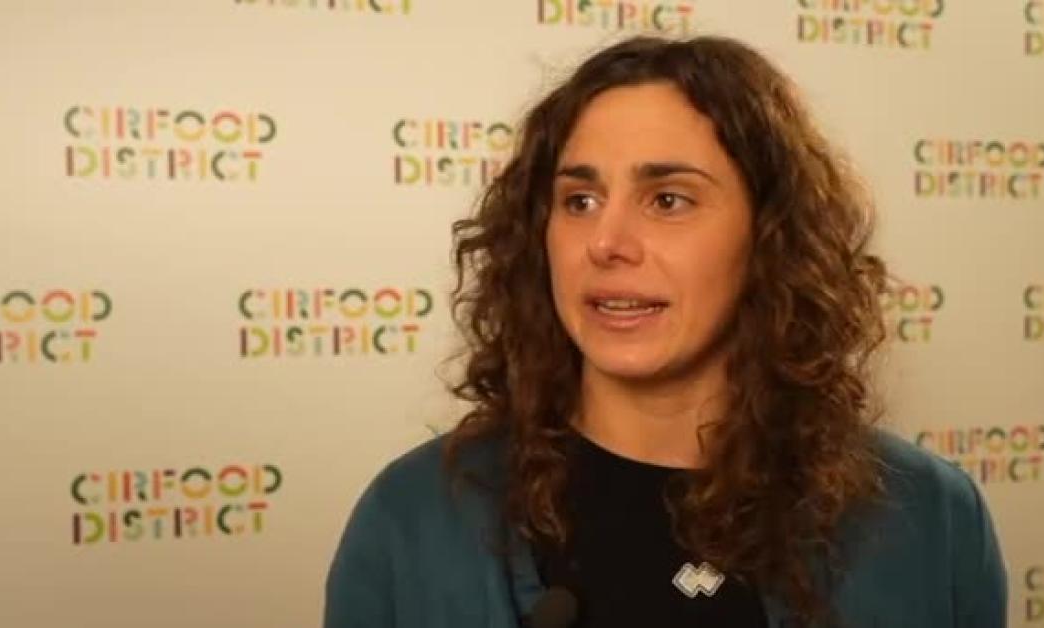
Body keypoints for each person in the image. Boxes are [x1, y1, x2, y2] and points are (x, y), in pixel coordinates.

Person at [324, 34, 1007, 628]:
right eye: (579, 200)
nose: (606, 241)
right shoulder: (410, 520)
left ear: (770, 238)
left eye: (668, 200)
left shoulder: (933, 519)